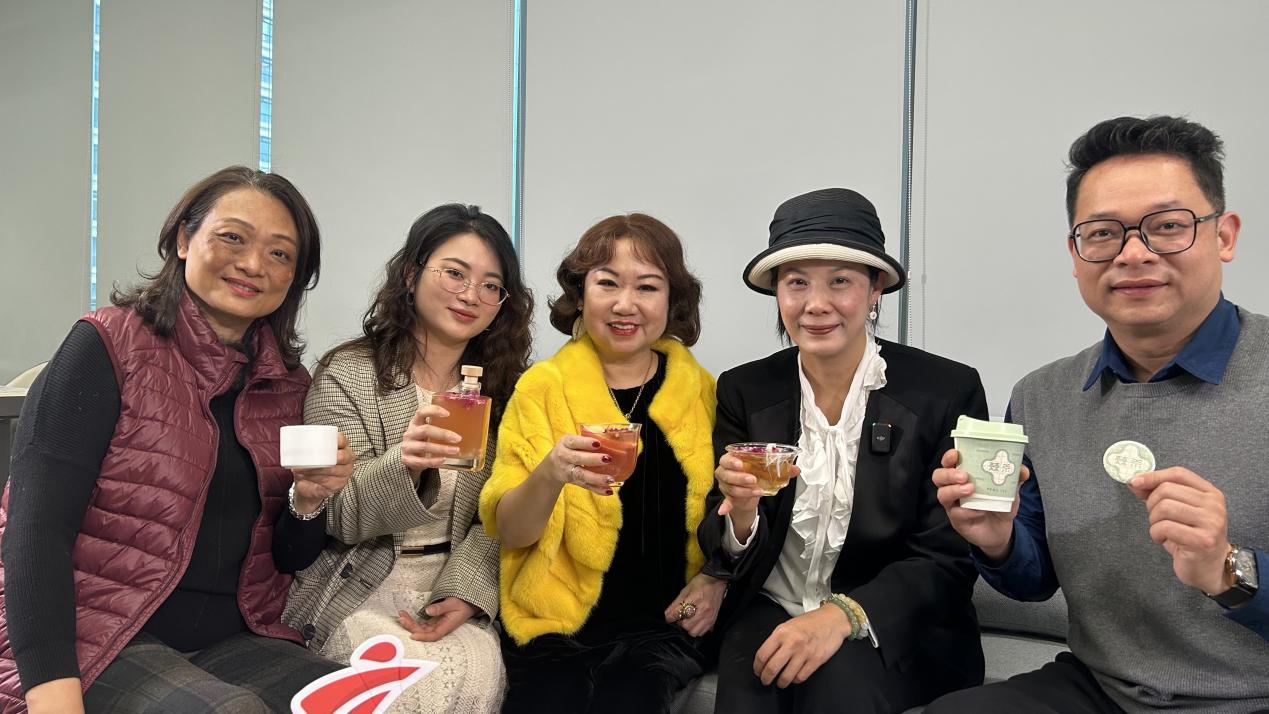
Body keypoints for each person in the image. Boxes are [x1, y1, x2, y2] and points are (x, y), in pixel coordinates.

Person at [926, 116, 1269, 714]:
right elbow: (1034, 582)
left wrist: (1229, 570)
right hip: (1102, 690)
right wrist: (999, 543)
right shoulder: (1042, 396)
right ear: (1076, 252)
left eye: (1168, 226)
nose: (1133, 254)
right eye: (1104, 233)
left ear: (1224, 235)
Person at [0, 166, 354, 713]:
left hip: (231, 641)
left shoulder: (286, 383)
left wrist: (307, 501)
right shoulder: (107, 345)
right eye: (233, 237)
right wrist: (53, 697)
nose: (254, 264)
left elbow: (289, 558)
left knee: (366, 700)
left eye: (281, 253)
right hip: (100, 634)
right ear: (184, 240)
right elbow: (34, 533)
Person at [700, 188, 988, 714]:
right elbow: (724, 542)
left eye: (840, 281)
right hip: (771, 606)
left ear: (875, 288)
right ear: (777, 292)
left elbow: (948, 554)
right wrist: (739, 513)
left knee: (838, 690)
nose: (816, 304)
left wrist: (840, 616)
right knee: (750, 693)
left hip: (896, 623)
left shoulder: (946, 391)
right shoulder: (744, 390)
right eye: (796, 282)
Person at [283, 204, 533, 712]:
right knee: (404, 687)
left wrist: (468, 592)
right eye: (455, 273)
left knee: (476, 676)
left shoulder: (508, 390)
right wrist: (406, 464)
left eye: (491, 285)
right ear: (411, 274)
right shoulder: (347, 373)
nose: (471, 295)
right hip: (358, 582)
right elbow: (337, 515)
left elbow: (500, 513)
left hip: (452, 585)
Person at [479, 213, 724, 713]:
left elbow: (729, 514)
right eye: (607, 283)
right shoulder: (541, 389)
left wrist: (717, 579)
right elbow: (512, 532)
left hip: (667, 626)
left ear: (672, 301)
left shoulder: (701, 391)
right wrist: (550, 473)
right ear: (580, 294)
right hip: (556, 624)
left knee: (633, 696)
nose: (624, 304)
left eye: (647, 287)